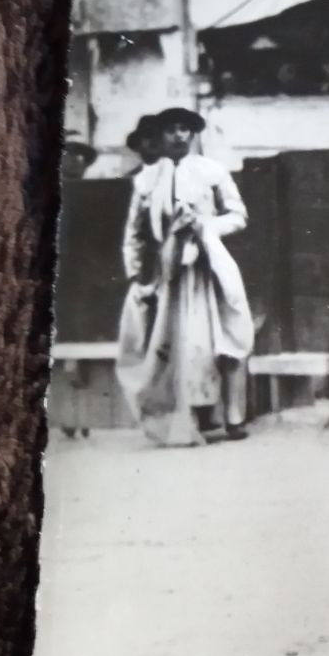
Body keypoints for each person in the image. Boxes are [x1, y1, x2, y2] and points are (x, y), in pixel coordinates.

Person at [115, 107, 254, 447]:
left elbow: (238, 215)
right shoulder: (147, 179)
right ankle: (188, 417)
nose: (178, 136)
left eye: (185, 130)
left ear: (193, 135)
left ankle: (232, 417)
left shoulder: (211, 171)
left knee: (222, 337)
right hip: (168, 274)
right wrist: (136, 274)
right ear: (161, 136)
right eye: (171, 130)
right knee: (178, 342)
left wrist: (206, 226)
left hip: (208, 269)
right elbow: (134, 233)